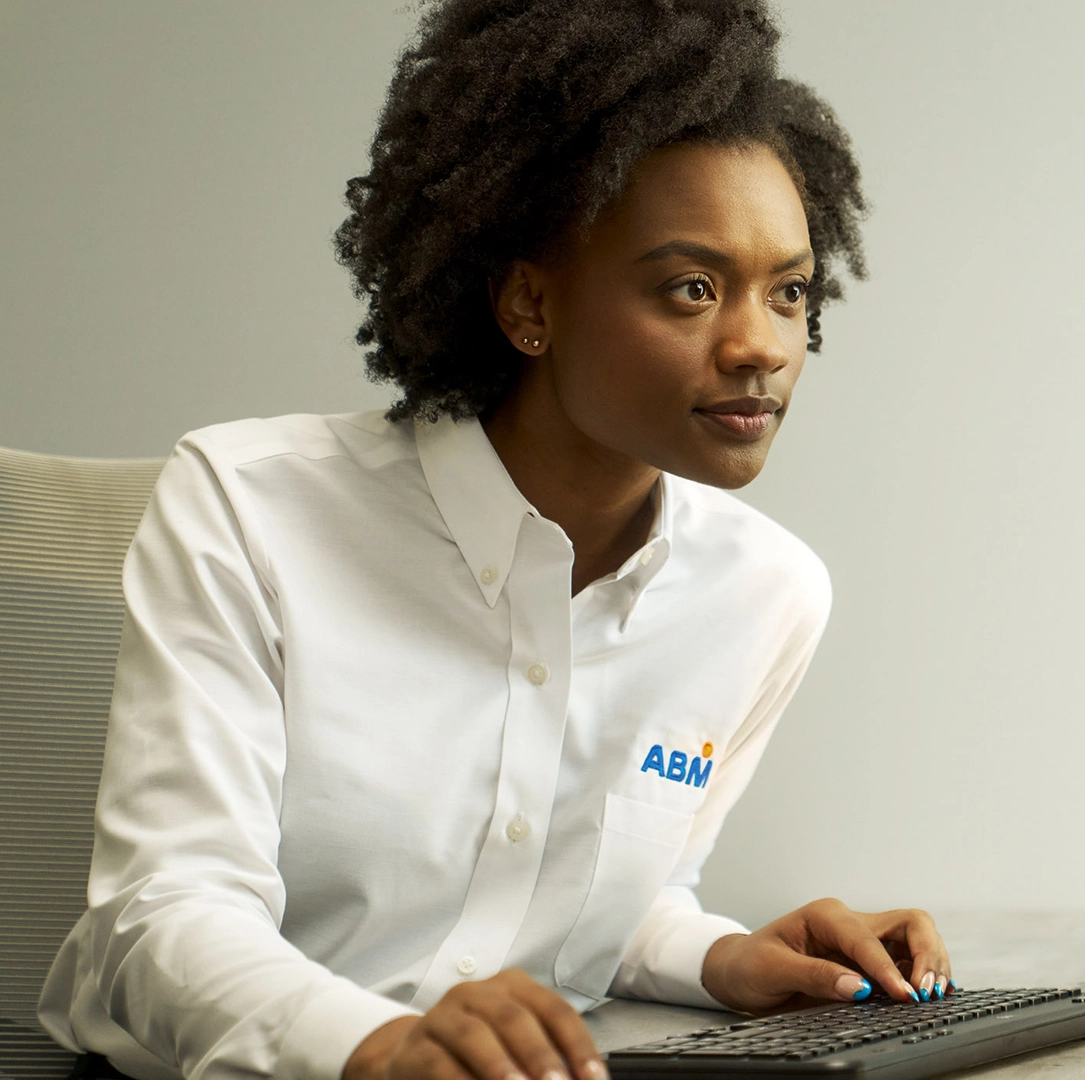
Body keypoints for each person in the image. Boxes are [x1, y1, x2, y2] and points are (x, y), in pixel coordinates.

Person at [37, 3, 952, 1078]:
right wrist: (380, 1048)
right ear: (529, 302)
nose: (761, 346)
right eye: (692, 289)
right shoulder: (248, 509)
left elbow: (606, 897)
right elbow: (160, 922)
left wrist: (724, 956)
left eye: (788, 292)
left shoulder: (766, 594)